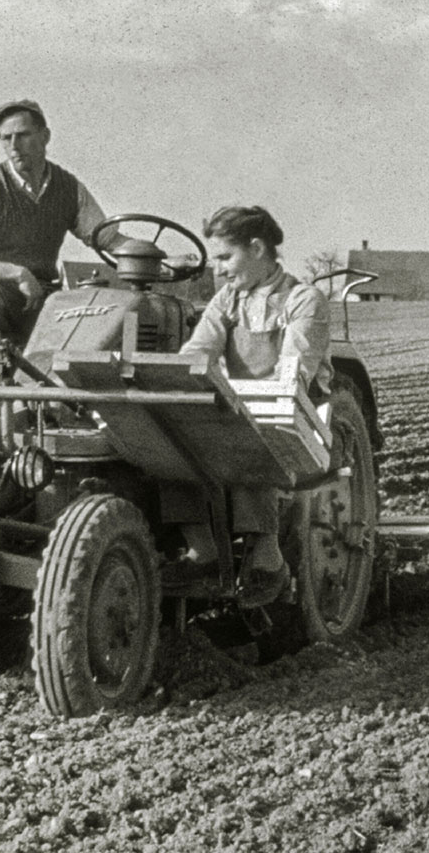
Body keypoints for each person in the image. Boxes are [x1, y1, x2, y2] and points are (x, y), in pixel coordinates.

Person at [173, 205, 333, 605]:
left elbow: (292, 373)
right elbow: (198, 352)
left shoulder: (304, 300)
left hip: (295, 416)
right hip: (248, 405)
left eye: (226, 257)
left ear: (257, 248)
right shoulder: (228, 300)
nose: (221, 270)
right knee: (170, 438)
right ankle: (202, 548)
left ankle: (267, 554)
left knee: (247, 434)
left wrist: (248, 398)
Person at [0, 99, 113, 347]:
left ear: (45, 137)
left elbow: (109, 239)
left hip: (46, 300)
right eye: (6, 138)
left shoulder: (69, 188)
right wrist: (17, 274)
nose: (14, 146)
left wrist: (160, 259)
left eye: (23, 135)